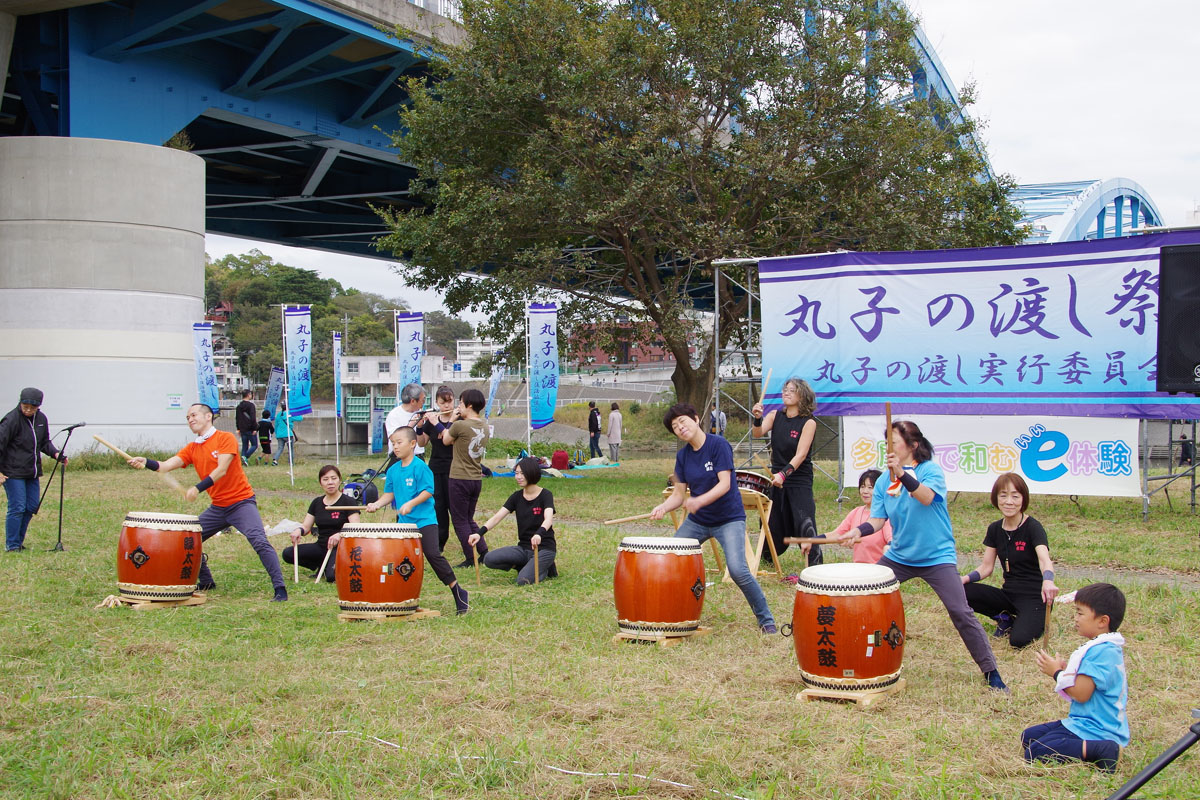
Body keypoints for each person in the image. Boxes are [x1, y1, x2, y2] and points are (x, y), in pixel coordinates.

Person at [835, 420, 1007, 691]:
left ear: (913, 445)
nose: (888, 447)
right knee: (864, 595)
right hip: (899, 558)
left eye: (895, 442)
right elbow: (878, 521)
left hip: (937, 558)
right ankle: (855, 658)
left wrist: (901, 473)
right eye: (887, 442)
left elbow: (925, 497)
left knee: (960, 611)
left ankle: (991, 672)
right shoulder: (883, 480)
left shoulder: (930, 471)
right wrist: (858, 530)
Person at [127, 403, 287, 601]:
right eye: (187, 418)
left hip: (241, 503)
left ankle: (280, 588)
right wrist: (146, 462)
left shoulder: (225, 438)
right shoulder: (193, 448)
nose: (190, 419)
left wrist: (197, 488)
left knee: (259, 540)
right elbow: (166, 465)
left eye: (193, 415)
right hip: (218, 507)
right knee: (188, 540)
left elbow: (221, 469)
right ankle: (206, 580)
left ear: (208, 416)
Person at [650, 403, 777, 634]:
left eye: (683, 422)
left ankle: (766, 619)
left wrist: (699, 501)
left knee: (738, 570)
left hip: (729, 519)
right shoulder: (683, 457)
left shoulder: (718, 445)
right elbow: (678, 495)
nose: (680, 428)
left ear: (696, 419)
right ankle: (674, 613)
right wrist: (663, 507)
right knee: (671, 559)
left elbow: (725, 484)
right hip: (698, 522)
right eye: (675, 427)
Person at [1024, 583, 1128, 772]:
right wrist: (1066, 671)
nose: (1076, 618)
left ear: (1102, 621)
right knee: (1029, 737)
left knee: (1035, 751)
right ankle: (1089, 748)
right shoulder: (1103, 648)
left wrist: (1056, 673)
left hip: (1098, 730)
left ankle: (1104, 748)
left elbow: (1081, 694)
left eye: (1080, 613)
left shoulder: (1101, 652)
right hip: (1082, 722)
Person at [366, 426, 469, 614]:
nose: (395, 447)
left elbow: (428, 491)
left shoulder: (420, 467)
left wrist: (411, 503)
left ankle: (458, 591)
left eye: (399, 443)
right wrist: (377, 505)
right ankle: (402, 597)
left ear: (413, 444)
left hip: (424, 521)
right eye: (393, 443)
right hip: (404, 524)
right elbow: (389, 494)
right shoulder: (393, 470)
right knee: (400, 560)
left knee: (432, 554)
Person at [962, 473, 1060, 648]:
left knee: (1018, 641)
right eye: (1003, 495)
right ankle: (1005, 617)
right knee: (961, 591)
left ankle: (1025, 621)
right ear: (996, 498)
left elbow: (1045, 560)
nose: (1009, 501)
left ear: (1023, 499)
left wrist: (1048, 581)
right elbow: (986, 567)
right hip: (1008, 595)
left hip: (1035, 598)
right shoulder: (994, 529)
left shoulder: (1033, 527)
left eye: (1015, 496)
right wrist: (964, 579)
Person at [752, 377, 820, 563]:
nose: (786, 393)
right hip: (776, 477)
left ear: (802, 395)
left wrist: (783, 474)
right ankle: (767, 559)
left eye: (791, 390)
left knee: (804, 521)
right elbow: (757, 433)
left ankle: (814, 564)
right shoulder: (775, 415)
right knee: (771, 522)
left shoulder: (809, 422)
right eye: (785, 389)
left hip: (799, 480)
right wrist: (757, 418)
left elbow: (800, 455)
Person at [470, 457, 558, 584]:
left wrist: (539, 533)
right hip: (524, 548)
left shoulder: (545, 495)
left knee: (523, 580)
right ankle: (526, 566)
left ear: (532, 473)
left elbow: (548, 519)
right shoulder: (516, 497)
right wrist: (479, 533)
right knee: (489, 559)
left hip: (544, 548)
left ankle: (545, 569)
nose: (518, 477)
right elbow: (497, 517)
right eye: (516, 473)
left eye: (522, 473)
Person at [0, 388, 65, 552]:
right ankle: (12, 545)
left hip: (32, 472)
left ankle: (19, 542)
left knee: (31, 507)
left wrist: (56, 453)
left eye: (32, 407)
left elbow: (44, 442)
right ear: (20, 403)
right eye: (25, 406)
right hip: (12, 472)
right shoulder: (11, 420)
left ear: (39, 406)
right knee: (17, 507)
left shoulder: (41, 419)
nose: (28, 410)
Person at [282, 464, 360, 583]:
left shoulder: (348, 501)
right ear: (320, 483)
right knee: (288, 554)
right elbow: (306, 527)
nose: (330, 482)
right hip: (321, 546)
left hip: (341, 548)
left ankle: (330, 566)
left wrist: (340, 535)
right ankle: (321, 564)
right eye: (325, 479)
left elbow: (356, 528)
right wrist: (298, 530)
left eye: (334, 478)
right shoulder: (317, 502)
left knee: (331, 577)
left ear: (339, 481)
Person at [443, 388, 490, 567]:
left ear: (469, 405)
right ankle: (483, 551)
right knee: (469, 518)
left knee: (460, 520)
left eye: (461, 403)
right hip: (475, 478)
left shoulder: (459, 425)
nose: (458, 407)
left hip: (459, 478)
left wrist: (452, 420)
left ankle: (471, 558)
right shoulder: (484, 426)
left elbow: (446, 440)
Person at [419, 385, 456, 552]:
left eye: (450, 402)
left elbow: (447, 438)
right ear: (437, 403)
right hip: (435, 467)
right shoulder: (432, 422)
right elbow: (422, 442)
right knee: (438, 506)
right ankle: (440, 543)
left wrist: (441, 422)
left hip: (454, 467)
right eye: (443, 402)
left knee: (454, 506)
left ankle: (467, 539)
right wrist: (420, 426)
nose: (447, 406)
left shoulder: (458, 421)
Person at [829, 469, 892, 564]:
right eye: (862, 487)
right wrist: (813, 540)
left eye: (870, 487)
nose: (865, 491)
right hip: (858, 569)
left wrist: (889, 547)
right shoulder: (855, 512)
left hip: (879, 571)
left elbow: (892, 541)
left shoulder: (885, 516)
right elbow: (837, 534)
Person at [385, 383, 429, 460]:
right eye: (422, 400)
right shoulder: (394, 415)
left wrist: (420, 427)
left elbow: (422, 442)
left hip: (418, 456)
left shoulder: (420, 413)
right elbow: (393, 438)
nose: (423, 403)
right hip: (399, 458)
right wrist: (410, 426)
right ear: (413, 401)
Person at [235, 390, 258, 465]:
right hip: (250, 429)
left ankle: (242, 461)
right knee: (254, 445)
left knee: (245, 445)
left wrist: (238, 428)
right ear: (248, 395)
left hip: (242, 429)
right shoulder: (251, 406)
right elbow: (253, 418)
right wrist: (254, 428)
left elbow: (237, 418)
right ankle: (245, 457)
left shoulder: (239, 406)